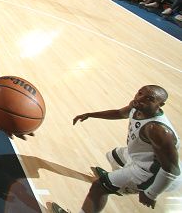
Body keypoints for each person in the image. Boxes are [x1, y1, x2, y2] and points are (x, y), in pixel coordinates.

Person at [51, 85, 180, 213]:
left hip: (151, 173)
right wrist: (90, 114)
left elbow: (172, 169)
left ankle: (118, 185)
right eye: (140, 93)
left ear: (160, 104)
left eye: (149, 99)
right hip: (140, 158)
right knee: (113, 156)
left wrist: (151, 194)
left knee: (99, 187)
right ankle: (118, 184)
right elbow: (119, 113)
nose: (141, 98)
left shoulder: (157, 130)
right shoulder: (136, 107)